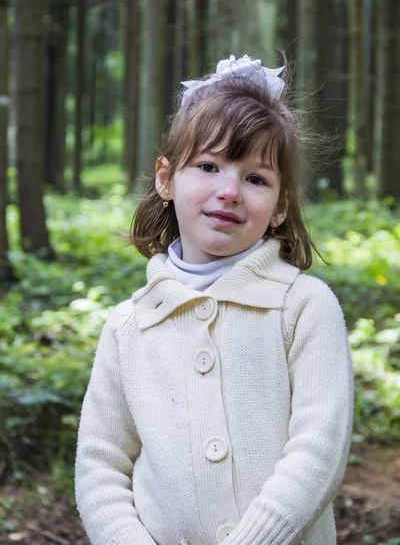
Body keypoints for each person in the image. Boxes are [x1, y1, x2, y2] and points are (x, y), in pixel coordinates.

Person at [75, 54, 354, 545]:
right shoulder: (129, 327)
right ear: (166, 179)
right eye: (208, 166)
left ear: (280, 205)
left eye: (256, 178)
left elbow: (319, 448)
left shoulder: (304, 307)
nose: (229, 191)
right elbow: (102, 466)